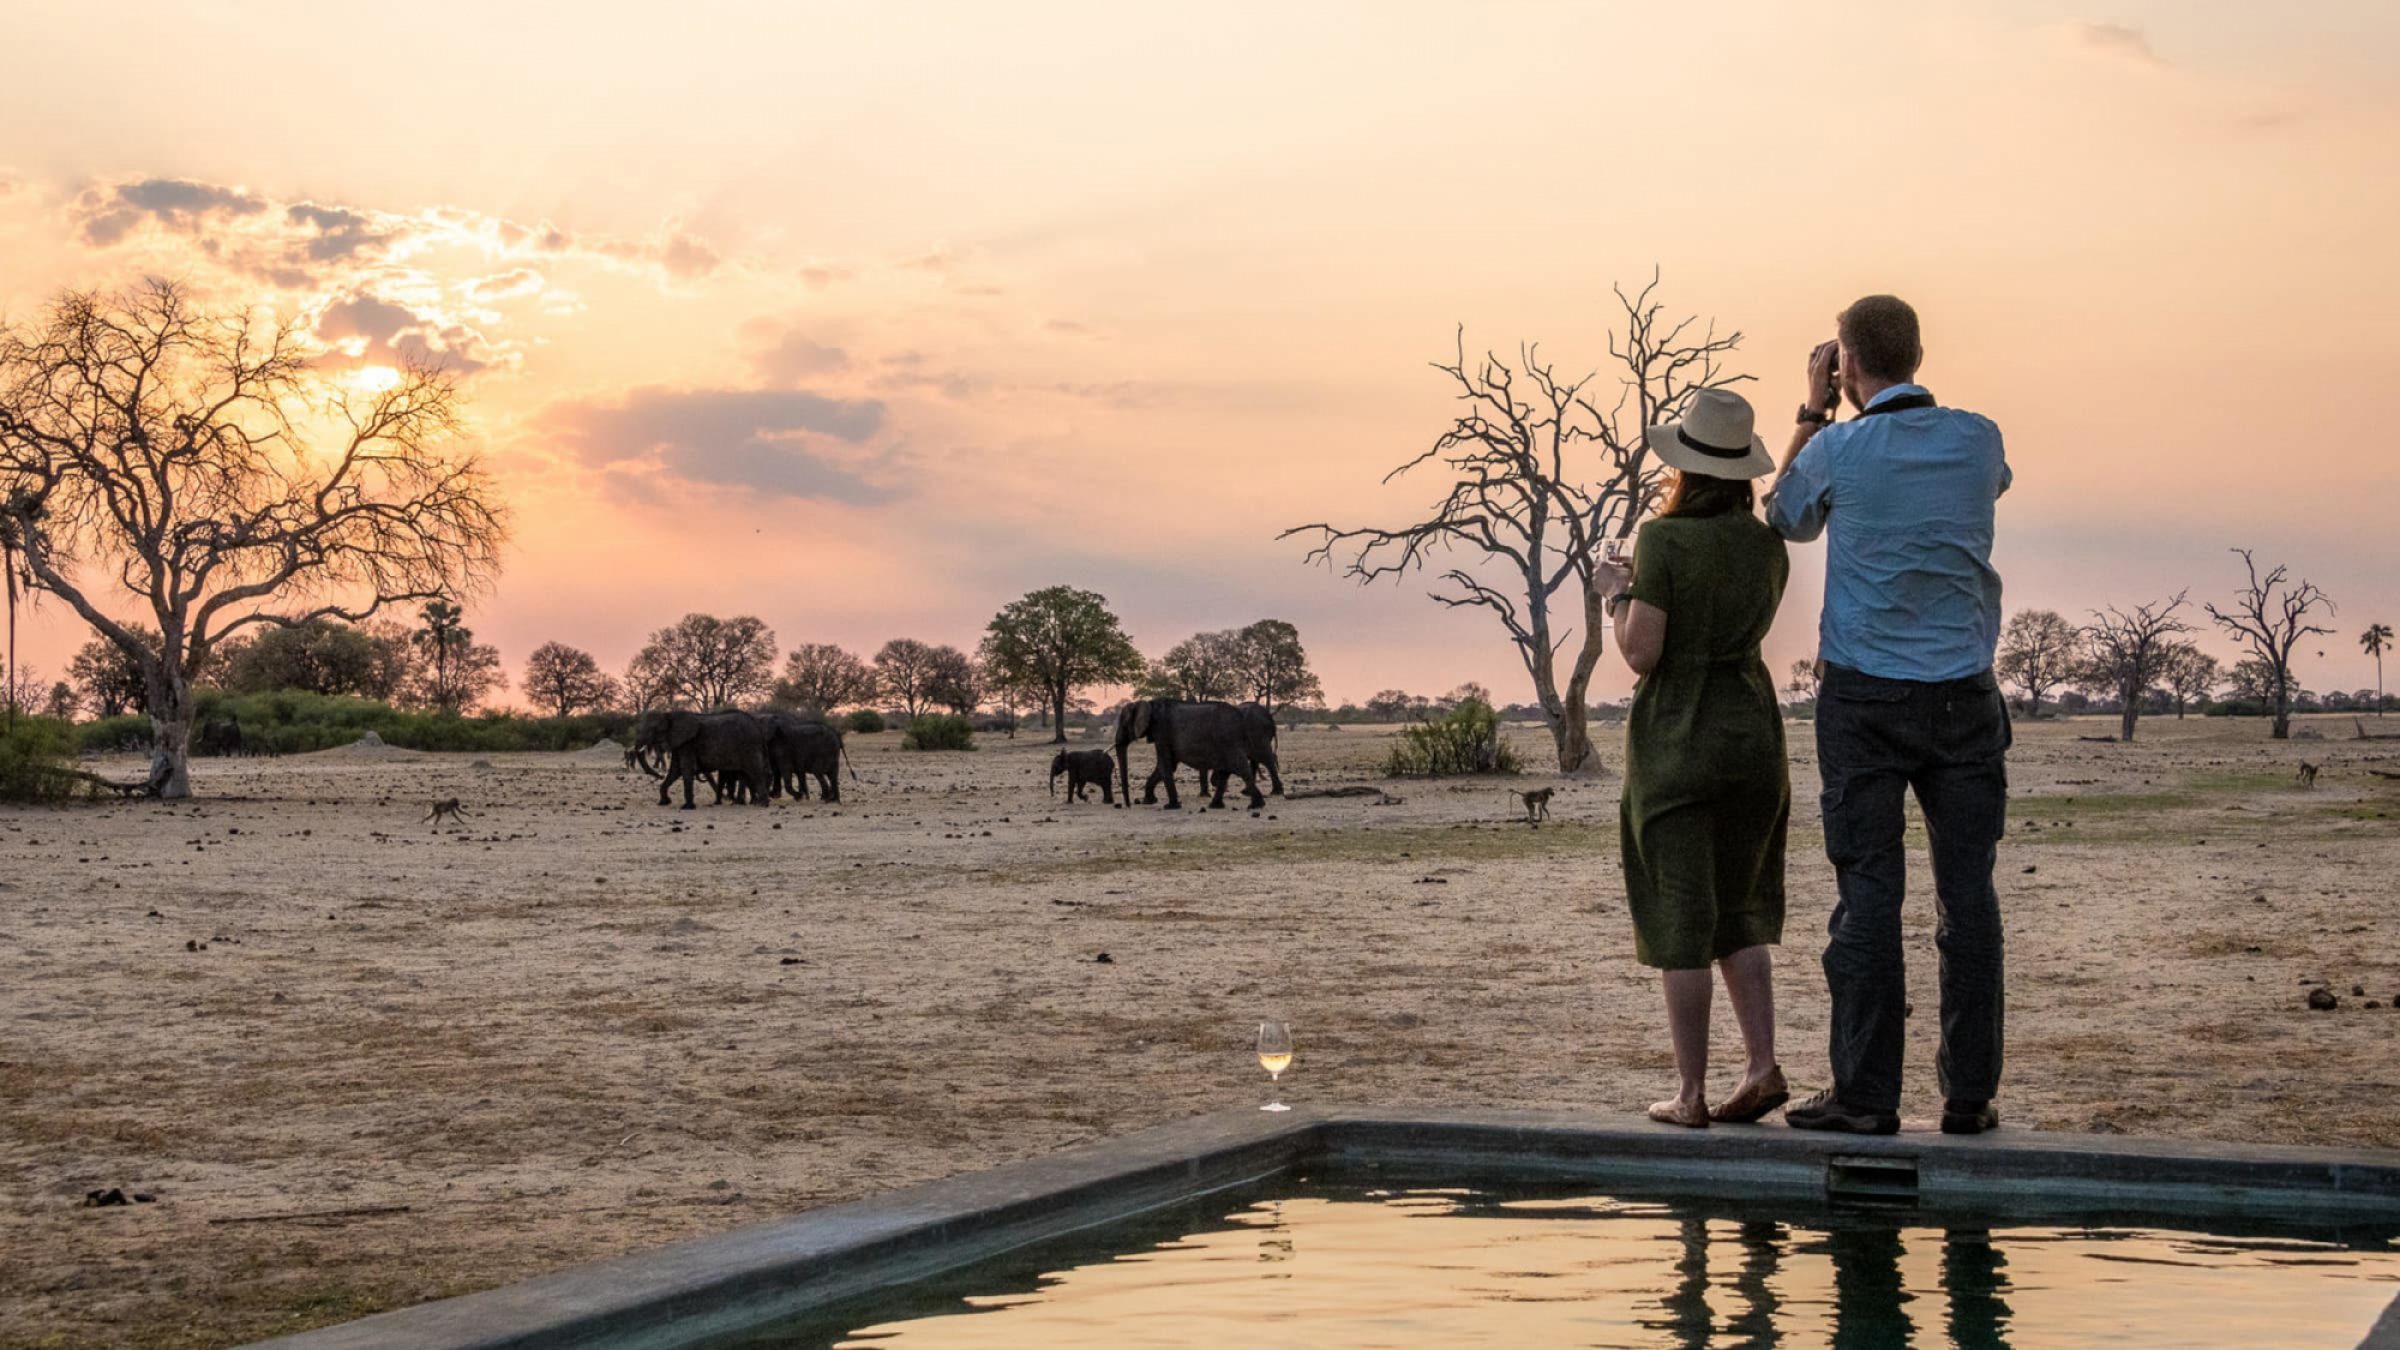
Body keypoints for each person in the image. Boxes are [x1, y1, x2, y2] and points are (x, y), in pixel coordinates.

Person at [1764, 295, 2012, 1136]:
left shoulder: (1838, 444)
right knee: (1967, 897)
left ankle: (1867, 1096)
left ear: (1847, 363)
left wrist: (1812, 409)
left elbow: (1784, 517)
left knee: (1868, 895)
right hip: (1965, 694)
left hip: (1866, 695)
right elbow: (1993, 491)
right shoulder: (1980, 439)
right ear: (1916, 352)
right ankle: (1968, 1095)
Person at [1595, 386, 1791, 1129]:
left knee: (1682, 919)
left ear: (1683, 463)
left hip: (1680, 735)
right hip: (1753, 731)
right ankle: (1762, 1065)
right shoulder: (1765, 543)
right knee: (1739, 910)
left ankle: (1690, 1092)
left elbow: (1644, 654)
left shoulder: (1664, 540)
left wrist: (1618, 593)